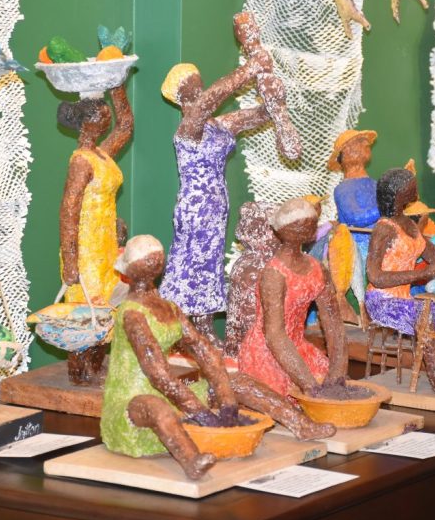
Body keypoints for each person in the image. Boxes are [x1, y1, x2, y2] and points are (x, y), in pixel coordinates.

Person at [101, 236, 334, 480]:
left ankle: (301, 424)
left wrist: (225, 395)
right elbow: (157, 373)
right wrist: (200, 412)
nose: (153, 262)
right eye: (147, 259)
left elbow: (202, 349)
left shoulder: (170, 308)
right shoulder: (131, 314)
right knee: (156, 408)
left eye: (156, 258)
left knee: (240, 381)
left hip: (170, 395)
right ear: (130, 269)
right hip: (133, 401)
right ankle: (191, 460)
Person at [159, 13, 299, 345]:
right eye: (191, 85)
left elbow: (259, 116)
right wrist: (250, 69)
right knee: (190, 264)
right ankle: (180, 330)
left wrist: (272, 93)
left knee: (208, 265)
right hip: (195, 210)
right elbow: (205, 104)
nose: (199, 87)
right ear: (181, 95)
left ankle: (204, 326)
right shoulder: (188, 128)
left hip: (215, 209)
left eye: (198, 81)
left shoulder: (219, 125)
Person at [238, 198, 349, 397]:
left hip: (297, 347)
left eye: (311, 222)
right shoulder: (274, 275)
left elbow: (333, 320)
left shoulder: (317, 268)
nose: (308, 226)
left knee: (334, 387)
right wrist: (308, 385)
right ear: (283, 230)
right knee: (292, 397)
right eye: (301, 223)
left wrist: (338, 370)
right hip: (266, 353)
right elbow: (275, 336)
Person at [366, 169, 435, 393]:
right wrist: (419, 275)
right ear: (399, 193)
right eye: (411, 186)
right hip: (382, 300)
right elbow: (375, 277)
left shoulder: (409, 224)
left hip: (405, 298)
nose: (416, 189)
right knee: (426, 319)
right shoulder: (383, 229)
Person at [59, 85, 133, 307]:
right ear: (85, 123)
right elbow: (68, 211)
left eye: (106, 112)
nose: (106, 117)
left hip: (106, 242)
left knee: (110, 302)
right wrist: (70, 261)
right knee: (90, 306)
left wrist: (117, 87)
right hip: (87, 248)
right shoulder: (81, 162)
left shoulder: (101, 153)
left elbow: (125, 125)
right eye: (99, 114)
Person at [224, 202, 280, 357]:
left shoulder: (270, 265)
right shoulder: (250, 265)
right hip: (251, 350)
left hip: (264, 348)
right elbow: (236, 318)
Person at [329, 129, 380, 260]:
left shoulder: (375, 184)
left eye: (364, 141)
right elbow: (356, 218)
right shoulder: (343, 189)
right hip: (360, 251)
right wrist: (387, 207)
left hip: (380, 244)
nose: (365, 143)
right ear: (344, 155)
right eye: (358, 142)